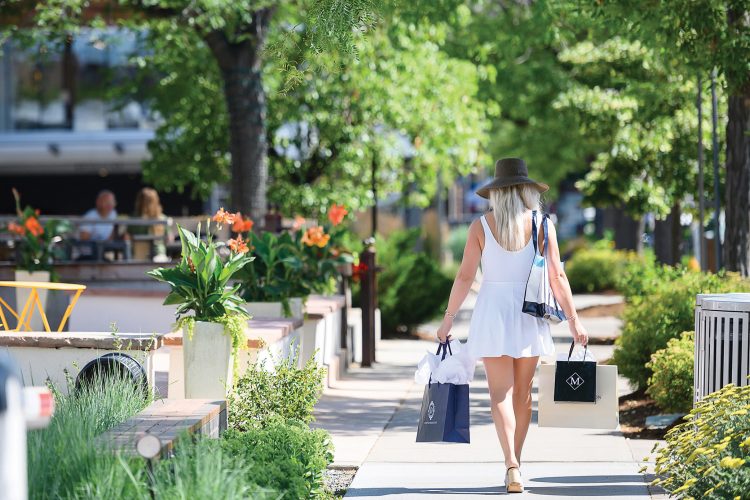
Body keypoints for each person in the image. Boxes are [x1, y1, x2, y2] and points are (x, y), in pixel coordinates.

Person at [436, 158, 589, 494]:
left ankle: (510, 464)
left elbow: (465, 276)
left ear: (495, 193)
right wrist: (574, 322)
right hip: (529, 315)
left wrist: (448, 318)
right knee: (523, 396)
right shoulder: (542, 225)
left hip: (491, 314)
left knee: (499, 395)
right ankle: (515, 464)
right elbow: (557, 276)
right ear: (525, 190)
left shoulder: (481, 226)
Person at [128, 187, 170, 260]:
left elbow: (127, 236)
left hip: (140, 256)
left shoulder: (134, 218)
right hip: (158, 255)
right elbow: (169, 239)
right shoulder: (163, 218)